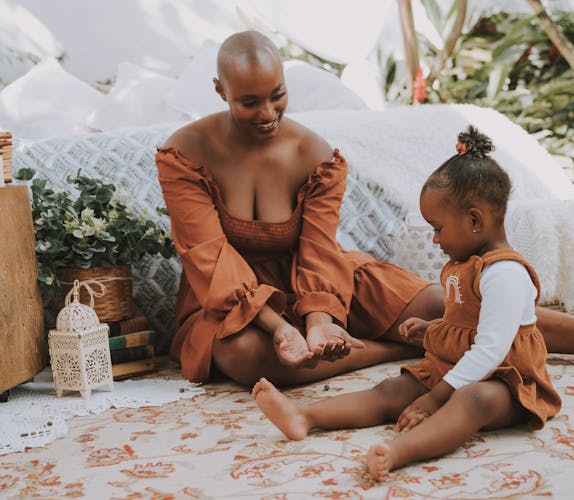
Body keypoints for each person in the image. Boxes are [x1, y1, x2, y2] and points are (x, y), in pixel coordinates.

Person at [155, 30, 574, 386]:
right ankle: (391, 347)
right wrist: (282, 328)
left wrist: (319, 318)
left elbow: (318, 249)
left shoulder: (316, 155)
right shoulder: (184, 153)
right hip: (227, 295)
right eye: (249, 102)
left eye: (277, 95)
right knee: (247, 357)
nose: (268, 114)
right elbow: (208, 256)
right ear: (219, 90)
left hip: (316, 277)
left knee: (446, 304)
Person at [252, 125, 562, 481]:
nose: (434, 238)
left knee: (472, 401)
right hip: (459, 366)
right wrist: (434, 330)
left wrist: (435, 398)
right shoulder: (465, 265)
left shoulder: (505, 274)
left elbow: (491, 349)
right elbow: (470, 320)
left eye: (438, 227)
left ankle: (399, 452)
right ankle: (304, 416)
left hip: (510, 382)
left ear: (474, 221)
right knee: (394, 389)